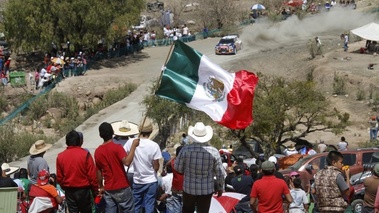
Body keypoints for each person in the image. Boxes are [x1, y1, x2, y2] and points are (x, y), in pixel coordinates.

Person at [175, 122, 226, 213]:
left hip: (189, 188)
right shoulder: (214, 151)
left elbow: (178, 168)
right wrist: (220, 187)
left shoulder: (185, 150)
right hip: (206, 190)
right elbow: (220, 173)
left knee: (187, 210)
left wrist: (186, 171)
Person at [95, 122, 139, 212]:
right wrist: (133, 146)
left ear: (100, 135)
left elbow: (98, 172)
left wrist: (101, 186)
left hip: (108, 188)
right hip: (122, 186)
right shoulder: (117, 148)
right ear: (112, 132)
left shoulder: (98, 151)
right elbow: (127, 162)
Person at [124, 118, 162, 213]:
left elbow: (125, 156)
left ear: (139, 130)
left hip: (137, 180)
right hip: (151, 181)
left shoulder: (131, 143)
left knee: (136, 206)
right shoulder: (154, 146)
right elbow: (156, 167)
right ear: (151, 131)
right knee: (149, 206)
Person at [56, 130, 98, 213]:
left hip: (69, 191)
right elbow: (92, 175)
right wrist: (95, 190)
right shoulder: (85, 154)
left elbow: (60, 177)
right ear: (79, 141)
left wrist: (65, 188)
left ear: (67, 142)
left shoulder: (60, 157)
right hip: (84, 191)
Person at [166, 145, 184, 212]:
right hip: (185, 189)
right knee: (185, 208)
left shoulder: (173, 162)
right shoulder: (186, 163)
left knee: (177, 207)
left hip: (175, 188)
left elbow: (167, 164)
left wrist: (175, 156)